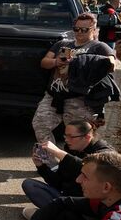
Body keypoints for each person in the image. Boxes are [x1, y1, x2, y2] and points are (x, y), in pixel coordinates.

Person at [32, 12, 116, 144]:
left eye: (84, 29)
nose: (79, 32)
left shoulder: (98, 46)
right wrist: (56, 62)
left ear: (94, 30)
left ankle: (77, 162)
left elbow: (111, 62)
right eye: (76, 29)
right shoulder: (63, 43)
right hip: (53, 96)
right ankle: (51, 161)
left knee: (78, 137)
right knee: (40, 126)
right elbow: (44, 62)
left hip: (79, 100)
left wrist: (87, 61)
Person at [21, 120, 114, 217]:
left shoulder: (104, 153)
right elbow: (58, 182)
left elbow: (89, 168)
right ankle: (57, 215)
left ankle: (56, 216)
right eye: (65, 136)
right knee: (29, 184)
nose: (66, 140)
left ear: (87, 137)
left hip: (88, 202)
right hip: (66, 198)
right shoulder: (72, 150)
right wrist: (41, 167)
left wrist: (59, 153)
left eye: (71, 137)